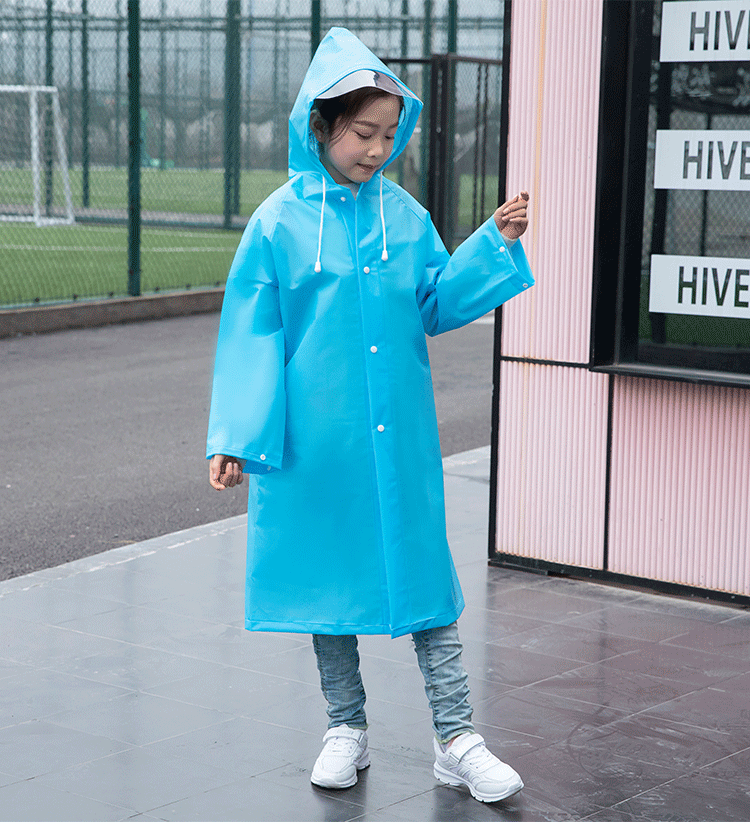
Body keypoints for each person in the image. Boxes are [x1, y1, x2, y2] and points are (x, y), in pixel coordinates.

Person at [206, 27, 532, 804]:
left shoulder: (406, 217)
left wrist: (491, 244)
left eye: (389, 133)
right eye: (362, 132)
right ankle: (344, 727)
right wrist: (235, 438)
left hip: (400, 441)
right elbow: (252, 333)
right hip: (316, 446)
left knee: (427, 583)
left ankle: (457, 737)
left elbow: (435, 303)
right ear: (320, 125)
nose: (378, 149)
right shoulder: (277, 225)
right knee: (330, 586)